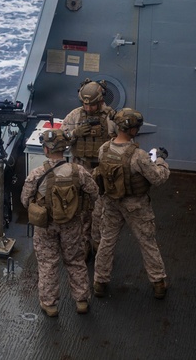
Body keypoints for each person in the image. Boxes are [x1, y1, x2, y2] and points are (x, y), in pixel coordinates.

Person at [92, 108, 170, 299]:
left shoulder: (104, 149)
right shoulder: (139, 155)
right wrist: (161, 160)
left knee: (107, 241)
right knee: (147, 242)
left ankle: (99, 282)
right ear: (133, 130)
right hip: (136, 206)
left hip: (111, 202)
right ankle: (158, 283)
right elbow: (158, 178)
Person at [21, 129, 99, 317]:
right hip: (72, 224)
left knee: (48, 263)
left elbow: (25, 200)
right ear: (65, 149)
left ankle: (50, 305)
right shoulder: (78, 171)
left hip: (46, 226)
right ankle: (81, 301)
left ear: (46, 150)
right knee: (75, 261)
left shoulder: (37, 174)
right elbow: (94, 192)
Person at [62, 79, 117, 253]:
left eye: (92, 105)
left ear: (101, 101)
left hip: (102, 170)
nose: (88, 108)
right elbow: (60, 140)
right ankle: (83, 245)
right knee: (81, 209)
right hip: (80, 167)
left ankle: (99, 247)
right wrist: (75, 133)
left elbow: (123, 142)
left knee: (101, 211)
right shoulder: (75, 116)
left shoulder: (112, 117)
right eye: (85, 104)